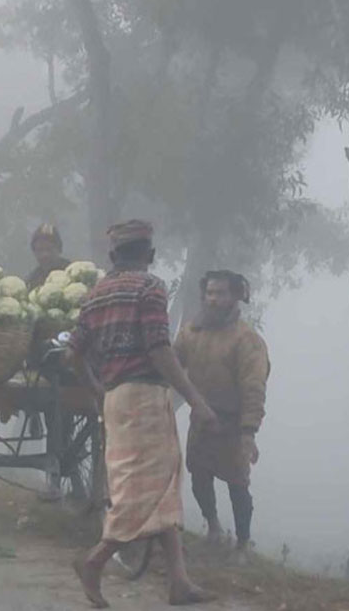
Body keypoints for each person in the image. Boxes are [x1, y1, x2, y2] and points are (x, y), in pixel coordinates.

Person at [68, 219, 218, 608]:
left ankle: (179, 581)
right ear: (149, 255)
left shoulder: (96, 293)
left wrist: (96, 389)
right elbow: (158, 348)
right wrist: (195, 397)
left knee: (163, 484)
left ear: (113, 255)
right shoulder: (150, 288)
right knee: (141, 489)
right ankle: (94, 560)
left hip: (116, 397)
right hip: (145, 398)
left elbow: (73, 353)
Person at [174, 271, 270, 554]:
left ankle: (243, 542)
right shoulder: (191, 332)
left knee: (237, 484)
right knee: (199, 475)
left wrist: (248, 432)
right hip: (202, 419)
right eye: (210, 293)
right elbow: (171, 363)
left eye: (221, 293)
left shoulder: (247, 340)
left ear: (235, 297)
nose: (214, 299)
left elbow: (254, 388)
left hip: (234, 422)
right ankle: (213, 527)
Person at [26, 223, 71, 289]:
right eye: (40, 250)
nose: (45, 255)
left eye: (49, 249)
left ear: (59, 249)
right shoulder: (32, 280)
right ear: (34, 252)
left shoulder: (72, 273)